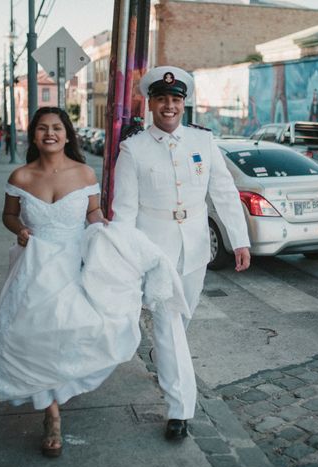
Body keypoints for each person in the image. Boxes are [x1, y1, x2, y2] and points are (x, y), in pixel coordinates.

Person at [0, 107, 187, 458]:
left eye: (57, 128)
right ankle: (51, 416)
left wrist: (105, 228)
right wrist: (19, 230)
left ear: (67, 135)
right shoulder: (20, 177)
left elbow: (92, 213)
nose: (50, 134)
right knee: (33, 335)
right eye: (43, 128)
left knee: (74, 330)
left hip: (74, 261)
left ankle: (59, 389)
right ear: (33, 135)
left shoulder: (83, 173)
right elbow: (9, 214)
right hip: (34, 264)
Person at [112, 65, 251, 441]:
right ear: (151, 103)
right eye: (161, 99)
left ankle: (167, 359)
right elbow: (123, 210)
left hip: (195, 247)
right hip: (154, 250)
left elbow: (223, 192)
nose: (169, 106)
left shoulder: (203, 143)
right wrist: (123, 256)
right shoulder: (134, 148)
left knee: (181, 320)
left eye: (175, 100)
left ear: (183, 104)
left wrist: (240, 240)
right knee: (170, 324)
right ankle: (179, 410)